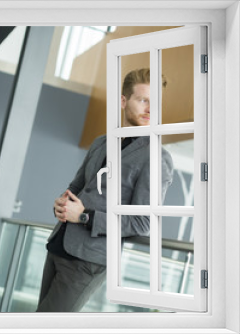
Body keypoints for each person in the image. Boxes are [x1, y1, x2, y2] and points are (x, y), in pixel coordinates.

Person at [36, 68, 174, 312]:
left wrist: (83, 216)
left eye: (156, 103)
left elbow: (143, 222)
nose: (150, 109)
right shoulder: (102, 141)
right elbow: (76, 187)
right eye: (143, 100)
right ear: (123, 101)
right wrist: (61, 203)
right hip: (59, 244)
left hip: (88, 259)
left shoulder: (156, 157)